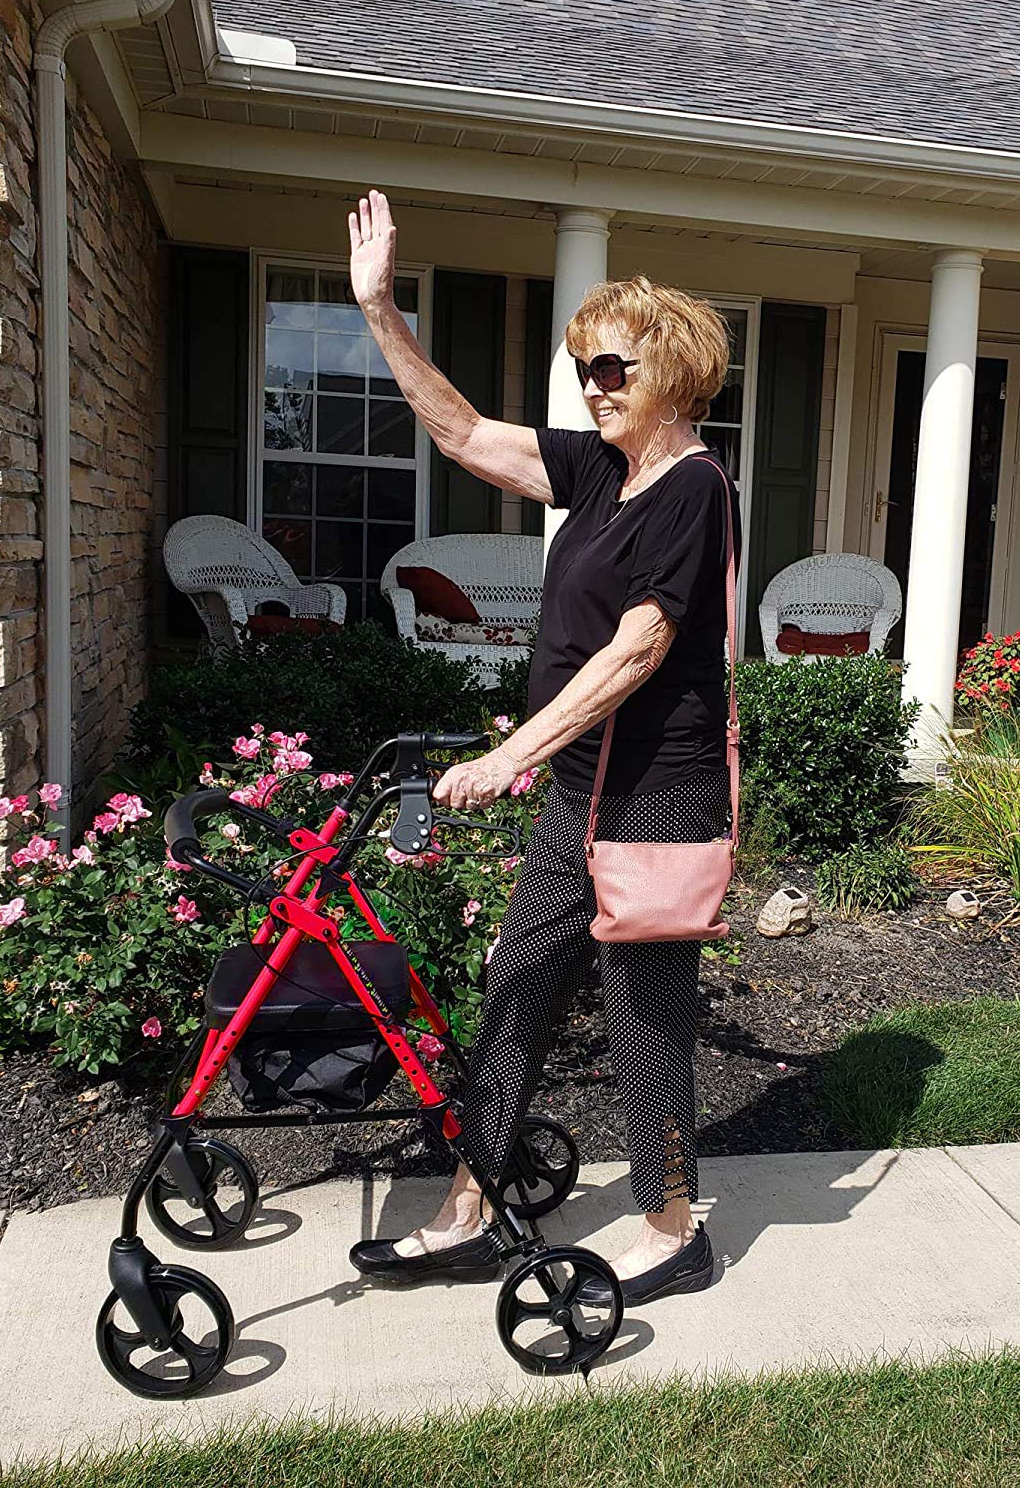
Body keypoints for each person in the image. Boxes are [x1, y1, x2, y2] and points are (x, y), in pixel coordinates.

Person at [344, 190, 742, 1305]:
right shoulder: (605, 474)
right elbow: (466, 434)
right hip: (585, 789)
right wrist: (380, 311)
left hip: (657, 796)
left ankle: (673, 1225)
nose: (593, 387)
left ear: (671, 370)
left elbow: (638, 651)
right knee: (518, 975)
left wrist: (505, 755)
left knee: (644, 1018)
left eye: (611, 368)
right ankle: (471, 1206)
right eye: (585, 371)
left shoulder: (695, 487)